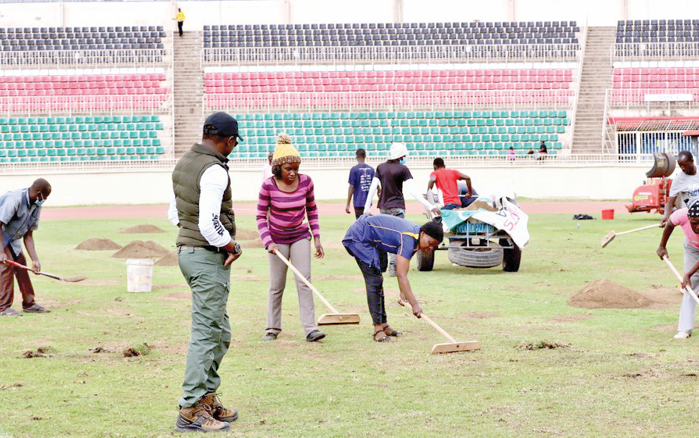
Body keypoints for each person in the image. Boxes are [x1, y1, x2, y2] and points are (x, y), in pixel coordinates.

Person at [171, 112, 243, 433]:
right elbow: (209, 224)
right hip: (206, 256)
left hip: (188, 253)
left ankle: (206, 396)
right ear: (227, 140)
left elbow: (174, 211)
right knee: (205, 333)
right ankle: (190, 406)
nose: (234, 147)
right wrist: (230, 246)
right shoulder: (214, 170)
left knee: (220, 331)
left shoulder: (185, 161)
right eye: (234, 142)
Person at [257, 133, 326, 343]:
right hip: (277, 240)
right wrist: (268, 241)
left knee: (304, 280)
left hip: (299, 236)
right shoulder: (268, 185)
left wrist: (316, 237)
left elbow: (312, 210)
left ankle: (310, 329)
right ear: (277, 168)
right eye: (289, 169)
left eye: (296, 168)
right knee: (277, 284)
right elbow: (260, 216)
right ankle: (272, 328)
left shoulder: (306, 182)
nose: (293, 173)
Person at [343, 215, 443, 342]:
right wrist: (415, 305)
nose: (430, 248)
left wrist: (403, 292)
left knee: (378, 279)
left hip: (373, 240)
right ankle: (378, 329)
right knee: (374, 281)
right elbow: (401, 274)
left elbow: (403, 268)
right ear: (423, 234)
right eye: (430, 243)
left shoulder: (416, 238)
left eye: (433, 247)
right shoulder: (409, 237)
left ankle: (384, 325)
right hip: (359, 236)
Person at [363, 142, 440, 276]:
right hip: (398, 207)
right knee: (397, 239)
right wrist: (430, 206)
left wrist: (366, 208)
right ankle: (394, 269)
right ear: (401, 156)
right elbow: (413, 191)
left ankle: (383, 267)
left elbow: (373, 187)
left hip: (384, 208)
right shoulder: (403, 169)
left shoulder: (380, 168)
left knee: (384, 237)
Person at [0, 178, 52, 316]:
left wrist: (35, 259)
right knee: (6, 265)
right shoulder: (14, 199)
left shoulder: (36, 205)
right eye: (45, 197)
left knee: (21, 265)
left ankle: (29, 304)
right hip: (1, 233)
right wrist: (1, 252)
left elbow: (28, 234)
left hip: (11, 236)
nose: (44, 200)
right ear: (39, 193)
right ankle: (3, 308)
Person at [657, 201, 699, 339]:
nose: (697, 227)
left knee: (690, 278)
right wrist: (662, 246)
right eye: (694, 223)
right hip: (691, 247)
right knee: (690, 285)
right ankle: (685, 329)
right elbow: (669, 225)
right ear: (688, 218)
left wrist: (688, 273)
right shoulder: (681, 215)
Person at [661, 151, 699, 226]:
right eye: (680, 165)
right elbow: (670, 203)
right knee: (691, 238)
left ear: (692, 161)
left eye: (685, 165)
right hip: (691, 218)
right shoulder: (678, 180)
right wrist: (666, 216)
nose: (683, 168)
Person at [345, 148, 375, 219]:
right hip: (368, 201)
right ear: (365, 156)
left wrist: (348, 203)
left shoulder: (354, 170)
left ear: (357, 156)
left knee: (360, 222)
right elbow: (376, 184)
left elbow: (351, 187)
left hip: (358, 201)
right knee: (366, 221)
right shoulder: (371, 169)